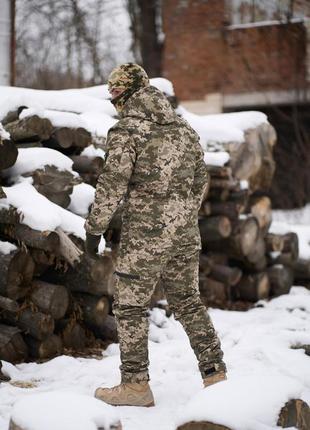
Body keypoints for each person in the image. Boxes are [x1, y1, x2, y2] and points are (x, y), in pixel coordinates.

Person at [85, 63, 226, 407]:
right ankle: (216, 376)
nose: (113, 99)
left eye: (116, 92)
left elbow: (111, 185)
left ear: (128, 93)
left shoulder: (127, 130)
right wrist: (181, 214)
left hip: (145, 236)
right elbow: (200, 181)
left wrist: (94, 230)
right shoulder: (184, 129)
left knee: (131, 305)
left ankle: (135, 387)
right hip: (185, 232)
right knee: (188, 301)